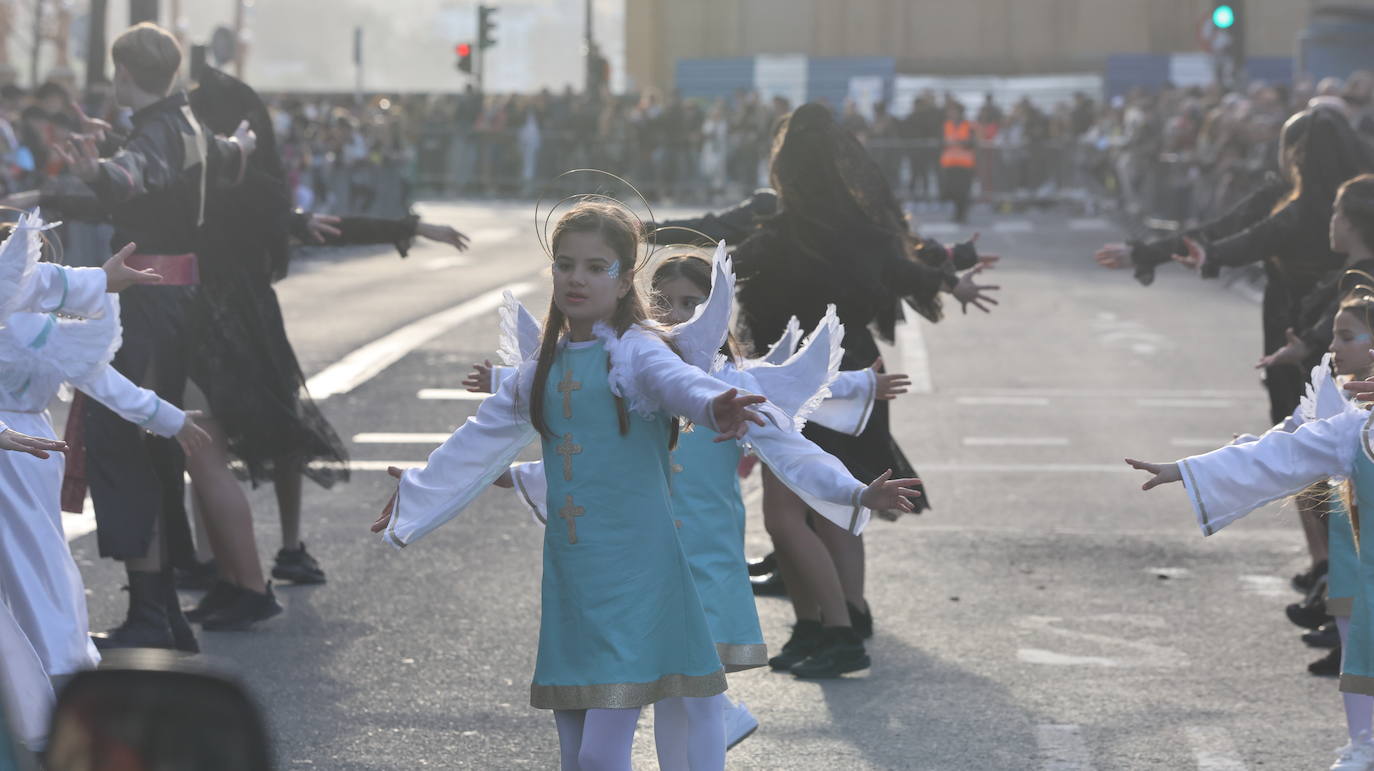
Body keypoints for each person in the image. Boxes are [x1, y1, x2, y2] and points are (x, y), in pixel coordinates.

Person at [371, 202, 773, 770]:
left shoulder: (636, 349)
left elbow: (678, 381)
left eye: (595, 267)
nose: (576, 278)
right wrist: (418, 490)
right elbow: (478, 438)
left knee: (598, 754)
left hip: (637, 573)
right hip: (572, 573)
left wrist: (713, 405)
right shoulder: (544, 366)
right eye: (565, 265)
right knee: (574, 748)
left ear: (624, 278)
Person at [728, 102, 998, 678]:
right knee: (829, 508)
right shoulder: (849, 230)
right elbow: (907, 269)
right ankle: (838, 617)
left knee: (799, 512)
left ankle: (834, 627)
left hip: (812, 379)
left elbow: (719, 245)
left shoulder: (782, 230)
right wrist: (952, 280)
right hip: (846, 372)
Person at [17, 22, 256, 651]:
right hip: (181, 297)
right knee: (155, 447)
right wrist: (244, 142)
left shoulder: (157, 133)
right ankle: (161, 608)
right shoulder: (189, 124)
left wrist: (97, 167)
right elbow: (225, 159)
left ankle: (152, 611)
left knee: (122, 445)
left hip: (145, 302)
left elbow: (129, 177)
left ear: (125, 73)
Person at [0, 213, 210, 752]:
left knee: (31, 572)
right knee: (38, 570)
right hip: (29, 451)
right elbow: (105, 382)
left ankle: (39, 694)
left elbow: (100, 377)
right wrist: (169, 419)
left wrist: (169, 419)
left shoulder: (31, 324)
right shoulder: (41, 329)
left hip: (24, 452)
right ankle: (52, 686)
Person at [940, 101, 977, 223]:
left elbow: (972, 143)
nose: (951, 114)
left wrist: (960, 142)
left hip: (964, 164)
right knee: (953, 191)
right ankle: (956, 213)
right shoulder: (946, 125)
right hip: (950, 163)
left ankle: (962, 214)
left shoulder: (969, 125)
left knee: (963, 191)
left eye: (953, 111)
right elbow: (941, 141)